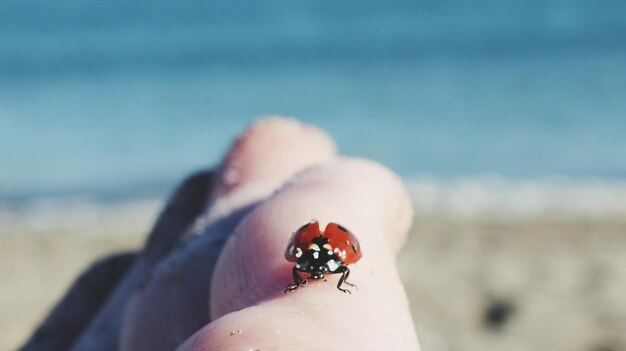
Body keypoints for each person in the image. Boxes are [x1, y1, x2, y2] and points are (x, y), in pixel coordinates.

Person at [21, 117, 421, 351]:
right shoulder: (324, 253)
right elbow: (330, 259)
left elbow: (322, 260)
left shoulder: (315, 254)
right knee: (339, 188)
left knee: (315, 190)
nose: (315, 271)